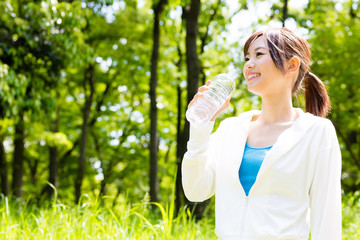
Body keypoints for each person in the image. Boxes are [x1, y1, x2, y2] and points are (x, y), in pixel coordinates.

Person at [182, 27, 342, 240]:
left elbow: (327, 222)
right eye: (247, 58)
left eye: (259, 54)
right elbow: (195, 189)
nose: (249, 64)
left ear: (291, 65)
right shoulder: (231, 129)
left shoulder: (316, 132)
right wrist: (201, 126)